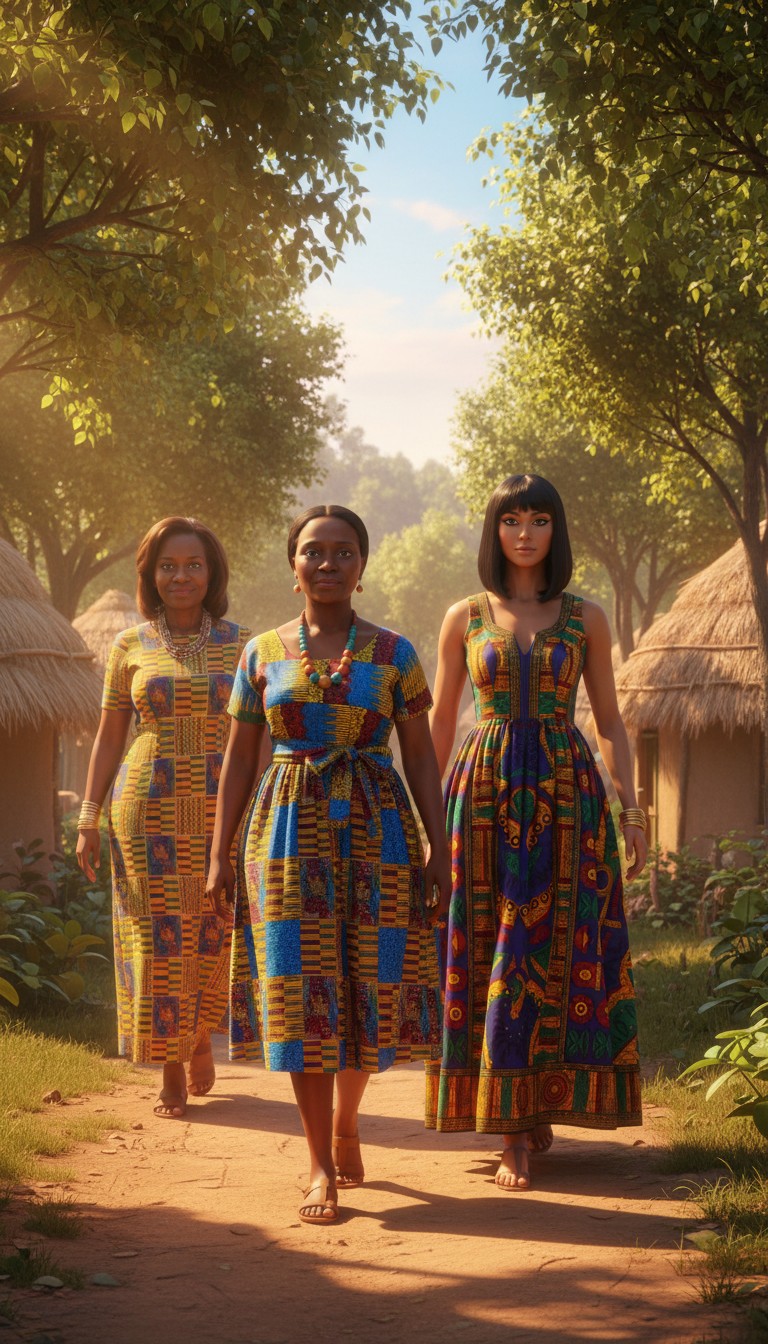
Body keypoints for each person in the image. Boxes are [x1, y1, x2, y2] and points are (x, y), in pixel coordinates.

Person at [206, 504, 450, 1225]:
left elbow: (423, 759)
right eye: (314, 551)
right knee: (299, 987)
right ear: (293, 566)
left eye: (343, 552)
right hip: (284, 831)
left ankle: (349, 1119)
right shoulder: (261, 653)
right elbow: (240, 759)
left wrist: (439, 849)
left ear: (361, 567)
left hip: (379, 832)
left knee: (366, 984)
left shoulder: (395, 652)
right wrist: (219, 853)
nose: (328, 563)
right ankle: (318, 1163)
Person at [426, 474, 646, 1190]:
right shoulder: (464, 615)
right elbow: (437, 717)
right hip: (482, 793)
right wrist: (424, 815)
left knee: (556, 944)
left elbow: (609, 719)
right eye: (511, 519)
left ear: (557, 531)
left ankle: (533, 1105)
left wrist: (631, 807)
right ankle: (512, 1132)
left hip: (566, 790)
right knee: (492, 942)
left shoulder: (587, 617)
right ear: (494, 531)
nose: (524, 532)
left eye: (539, 519)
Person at [76, 517, 250, 1119]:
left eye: (193, 565)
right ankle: (171, 1067)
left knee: (212, 931)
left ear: (211, 572)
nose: (181, 576)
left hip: (218, 805)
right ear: (150, 574)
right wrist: (88, 815)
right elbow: (107, 736)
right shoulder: (130, 645)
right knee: (156, 937)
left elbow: (257, 737)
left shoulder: (243, 644)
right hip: (144, 806)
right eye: (168, 566)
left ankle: (201, 1034)